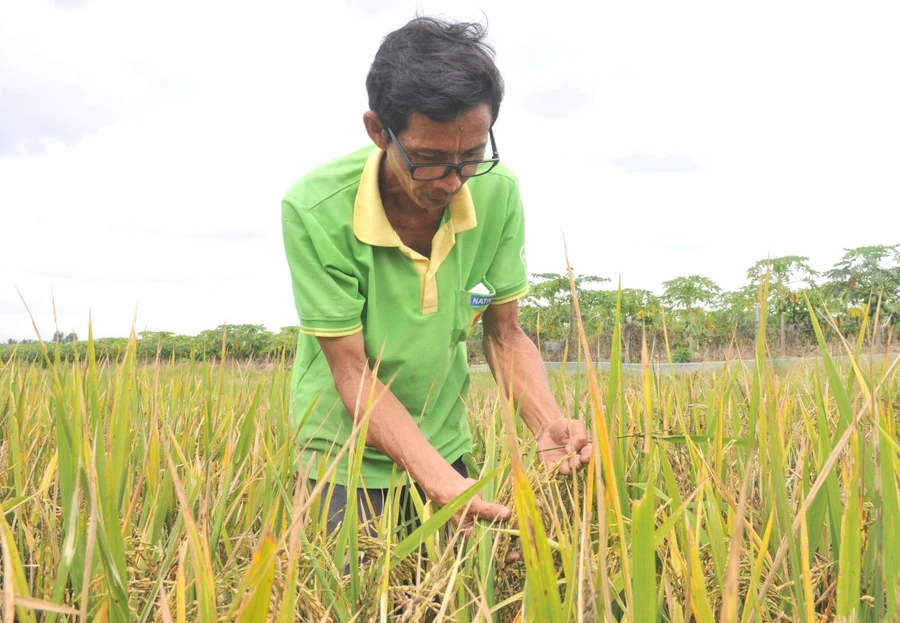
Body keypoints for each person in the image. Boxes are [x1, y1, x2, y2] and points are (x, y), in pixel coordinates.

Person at [281, 15, 592, 535]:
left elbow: (505, 335)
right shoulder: (315, 209)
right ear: (378, 131)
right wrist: (441, 484)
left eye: (470, 156)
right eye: (428, 159)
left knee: (469, 585)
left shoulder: (498, 192)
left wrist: (546, 424)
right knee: (358, 593)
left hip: (445, 438)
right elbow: (352, 372)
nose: (452, 181)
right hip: (342, 452)